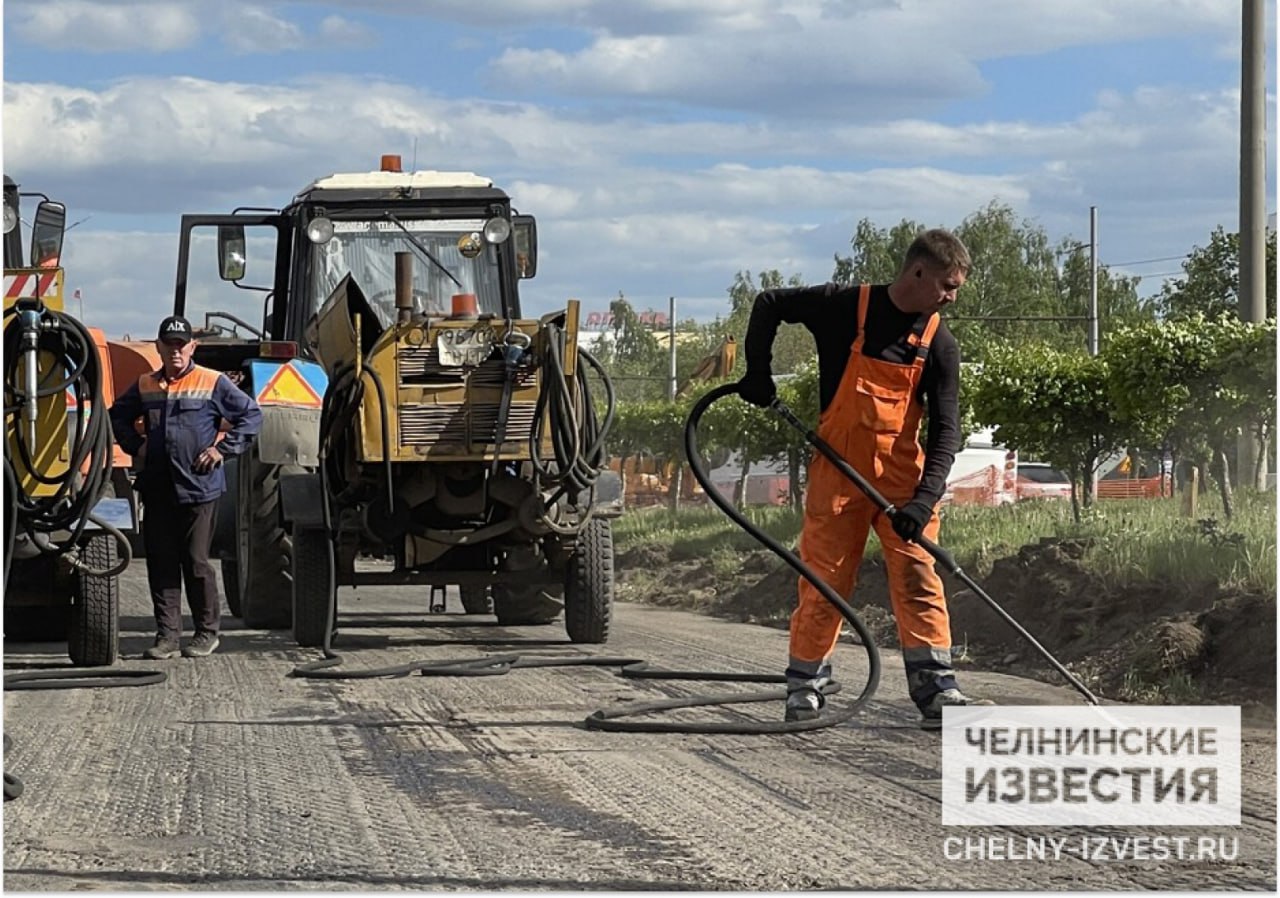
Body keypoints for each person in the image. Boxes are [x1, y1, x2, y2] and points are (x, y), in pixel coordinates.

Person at [737, 229, 990, 729]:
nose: (952, 297)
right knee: (824, 580)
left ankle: (936, 689)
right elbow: (768, 302)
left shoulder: (938, 342)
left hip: (902, 484)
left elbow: (946, 431)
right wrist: (757, 373)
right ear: (917, 273)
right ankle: (805, 686)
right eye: (947, 285)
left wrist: (924, 500)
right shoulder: (842, 306)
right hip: (837, 474)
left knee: (919, 575)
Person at [109, 315, 262, 659]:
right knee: (161, 562)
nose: (175, 350)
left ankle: (206, 632)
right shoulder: (146, 383)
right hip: (159, 487)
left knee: (195, 562)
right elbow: (116, 414)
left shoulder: (212, 381)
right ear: (159, 348)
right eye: (169, 344)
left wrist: (221, 450)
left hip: (199, 487)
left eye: (182, 344)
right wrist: (136, 444)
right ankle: (167, 637)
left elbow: (251, 416)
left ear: (192, 347)